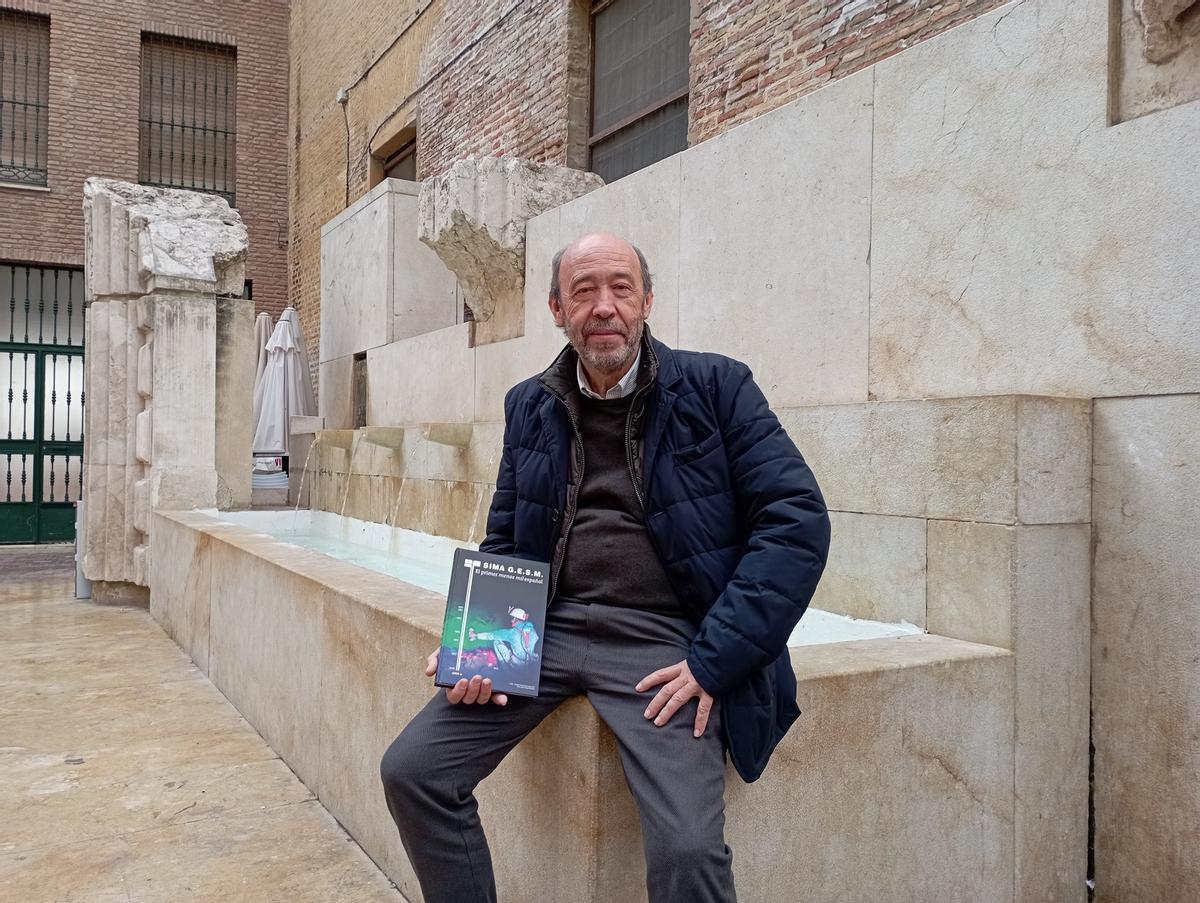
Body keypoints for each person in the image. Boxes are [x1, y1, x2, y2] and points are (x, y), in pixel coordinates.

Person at [380, 232, 831, 903]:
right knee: (413, 771)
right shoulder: (529, 405)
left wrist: (718, 658)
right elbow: (506, 538)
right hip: (549, 632)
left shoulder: (717, 387)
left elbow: (797, 521)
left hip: (667, 641)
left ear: (647, 299)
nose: (604, 306)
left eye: (620, 287)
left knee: (687, 848)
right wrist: (479, 646)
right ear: (557, 309)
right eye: (583, 290)